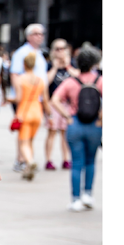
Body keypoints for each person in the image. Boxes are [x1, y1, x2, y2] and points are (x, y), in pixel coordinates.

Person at [50, 44, 102, 212]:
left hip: (75, 124)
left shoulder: (71, 82)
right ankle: (88, 194)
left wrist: (66, 117)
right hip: (94, 125)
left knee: (76, 162)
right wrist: (101, 118)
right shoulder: (100, 81)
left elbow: (55, 100)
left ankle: (75, 199)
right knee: (90, 161)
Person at [11, 50, 47, 178]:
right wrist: (50, 115)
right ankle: (27, 170)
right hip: (37, 112)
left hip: (24, 113)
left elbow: (18, 98)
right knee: (30, 141)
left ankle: (30, 162)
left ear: (24, 65)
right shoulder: (40, 80)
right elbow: (45, 100)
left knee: (23, 142)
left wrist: (8, 99)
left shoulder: (20, 79)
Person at [42, 39, 73, 171]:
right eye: (57, 49)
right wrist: (55, 67)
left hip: (67, 103)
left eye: (62, 48)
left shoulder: (72, 64)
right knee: (52, 131)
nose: (60, 51)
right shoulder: (48, 65)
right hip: (52, 103)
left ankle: (66, 159)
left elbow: (77, 78)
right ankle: (49, 160)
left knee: (65, 132)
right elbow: (45, 82)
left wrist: (68, 66)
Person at [6, 22, 46, 109]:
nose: (39, 36)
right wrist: (18, 95)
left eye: (41, 34)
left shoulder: (40, 53)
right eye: (36, 34)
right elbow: (14, 74)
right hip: (25, 98)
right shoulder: (21, 53)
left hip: (37, 98)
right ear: (28, 36)